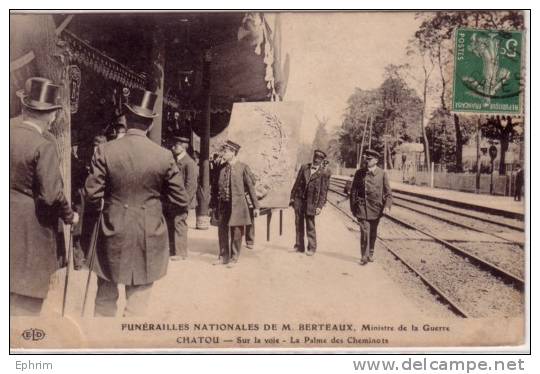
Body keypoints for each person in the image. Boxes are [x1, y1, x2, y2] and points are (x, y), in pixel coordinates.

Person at [85, 89, 188, 317]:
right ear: (150, 124)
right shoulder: (164, 156)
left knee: (104, 300)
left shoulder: (104, 151)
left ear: (126, 119)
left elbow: (92, 195)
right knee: (137, 306)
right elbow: (181, 200)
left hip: (111, 229)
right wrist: (155, 211)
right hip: (149, 233)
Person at [10, 77, 79, 315]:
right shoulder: (43, 144)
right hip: (31, 226)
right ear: (51, 115)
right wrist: (70, 216)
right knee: (26, 302)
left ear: (25, 107)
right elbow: (51, 195)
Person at [210, 140, 259, 266]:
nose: (223, 154)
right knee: (222, 231)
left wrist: (256, 206)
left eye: (226, 151)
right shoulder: (220, 167)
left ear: (233, 152)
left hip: (237, 206)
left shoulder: (243, 167)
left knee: (237, 232)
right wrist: (212, 205)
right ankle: (223, 256)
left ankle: (234, 258)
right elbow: (215, 188)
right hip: (223, 205)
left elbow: (250, 188)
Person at [349, 149, 392, 265]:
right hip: (362, 207)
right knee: (365, 231)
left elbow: (388, 193)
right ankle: (364, 255)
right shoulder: (359, 173)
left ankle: (371, 253)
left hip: (376, 208)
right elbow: (353, 191)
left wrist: (387, 206)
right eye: (366, 159)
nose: (367, 161)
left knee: (373, 232)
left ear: (376, 160)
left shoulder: (382, 174)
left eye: (370, 159)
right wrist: (353, 206)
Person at [289, 149, 330, 256]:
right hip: (299, 200)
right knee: (298, 223)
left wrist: (320, 206)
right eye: (315, 157)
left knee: (310, 225)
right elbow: (297, 183)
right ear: (313, 157)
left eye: (319, 158)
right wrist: (292, 197)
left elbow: (323, 191)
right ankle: (299, 246)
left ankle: (312, 247)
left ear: (322, 160)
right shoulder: (304, 168)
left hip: (312, 202)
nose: (317, 160)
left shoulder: (324, 173)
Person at [166, 135, 198, 260]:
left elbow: (191, 185)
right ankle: (173, 250)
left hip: (182, 200)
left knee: (179, 224)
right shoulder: (175, 160)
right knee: (171, 223)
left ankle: (180, 253)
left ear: (183, 147)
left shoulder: (189, 163)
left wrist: (185, 201)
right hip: (172, 199)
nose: (173, 147)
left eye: (176, 145)